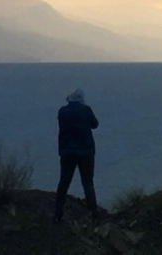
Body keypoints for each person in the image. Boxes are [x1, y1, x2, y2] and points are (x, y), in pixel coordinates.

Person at [53, 89, 100, 223]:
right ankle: (94, 213)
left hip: (67, 152)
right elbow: (95, 124)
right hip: (85, 152)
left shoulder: (62, 112)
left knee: (63, 183)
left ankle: (58, 214)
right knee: (88, 183)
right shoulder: (86, 110)